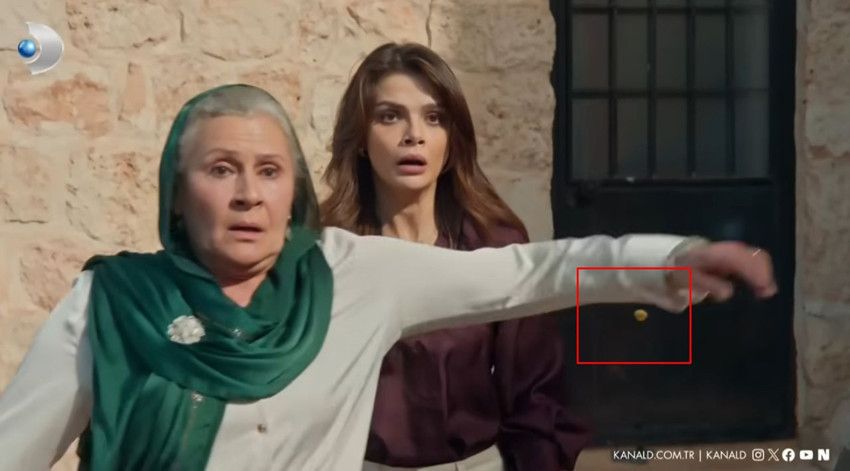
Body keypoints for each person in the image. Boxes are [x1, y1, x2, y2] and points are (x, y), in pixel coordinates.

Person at [0, 84, 776, 471]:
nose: (247, 194)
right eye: (220, 169)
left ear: (294, 190)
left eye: (269, 171)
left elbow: (522, 273)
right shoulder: (111, 305)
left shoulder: (353, 273)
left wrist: (667, 256)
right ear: (176, 191)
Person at [321, 42, 588, 471]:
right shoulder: (326, 253)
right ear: (362, 139)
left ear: (451, 139)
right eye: (390, 116)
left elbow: (537, 393)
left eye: (434, 117)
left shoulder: (494, 242)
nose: (414, 135)